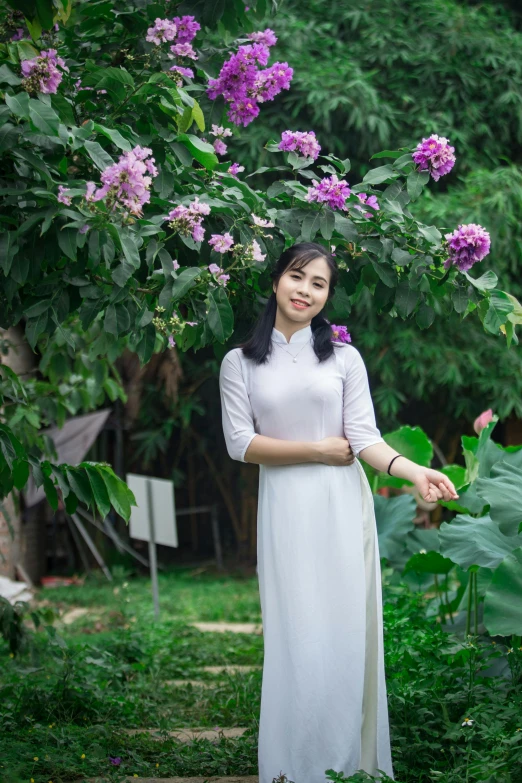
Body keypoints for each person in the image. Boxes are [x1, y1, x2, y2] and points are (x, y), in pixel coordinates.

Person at [218, 242, 459, 783]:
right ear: (277, 281)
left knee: (344, 634)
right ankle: (291, 768)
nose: (305, 290)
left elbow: (366, 439)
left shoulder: (344, 359)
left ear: (327, 297)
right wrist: (317, 451)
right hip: (286, 511)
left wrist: (413, 471)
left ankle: (346, 767)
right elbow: (240, 443)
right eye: (297, 277)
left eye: (319, 284)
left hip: (342, 509)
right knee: (296, 634)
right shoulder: (240, 362)